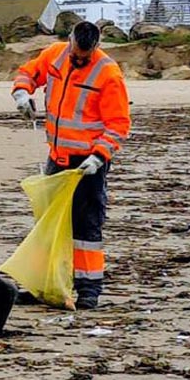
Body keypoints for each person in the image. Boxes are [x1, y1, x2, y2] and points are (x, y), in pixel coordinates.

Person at [10, 21, 131, 309]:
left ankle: (89, 290)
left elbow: (118, 124)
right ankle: (42, 285)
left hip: (87, 165)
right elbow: (28, 73)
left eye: (84, 58)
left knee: (86, 227)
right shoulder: (54, 55)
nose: (78, 61)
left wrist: (99, 156)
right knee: (48, 224)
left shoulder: (107, 73)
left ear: (96, 48)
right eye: (76, 54)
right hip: (58, 157)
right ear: (69, 42)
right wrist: (22, 94)